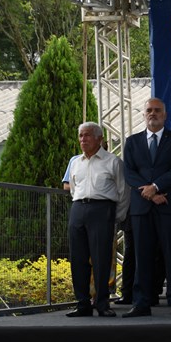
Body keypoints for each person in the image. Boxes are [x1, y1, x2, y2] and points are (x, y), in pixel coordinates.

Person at [122, 98, 171, 317]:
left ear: (165, 115)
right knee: (141, 256)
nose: (153, 113)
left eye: (157, 110)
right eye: (149, 110)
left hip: (169, 205)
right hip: (142, 207)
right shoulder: (132, 141)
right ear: (143, 114)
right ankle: (141, 302)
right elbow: (129, 173)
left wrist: (156, 186)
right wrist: (150, 193)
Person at [65, 122, 129, 317]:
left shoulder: (113, 162)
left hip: (102, 210)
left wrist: (115, 216)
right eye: (81, 135)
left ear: (99, 139)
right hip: (78, 209)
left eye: (87, 135)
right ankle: (82, 303)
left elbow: (123, 192)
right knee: (78, 259)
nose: (83, 139)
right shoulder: (76, 162)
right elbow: (74, 188)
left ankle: (102, 303)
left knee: (101, 259)